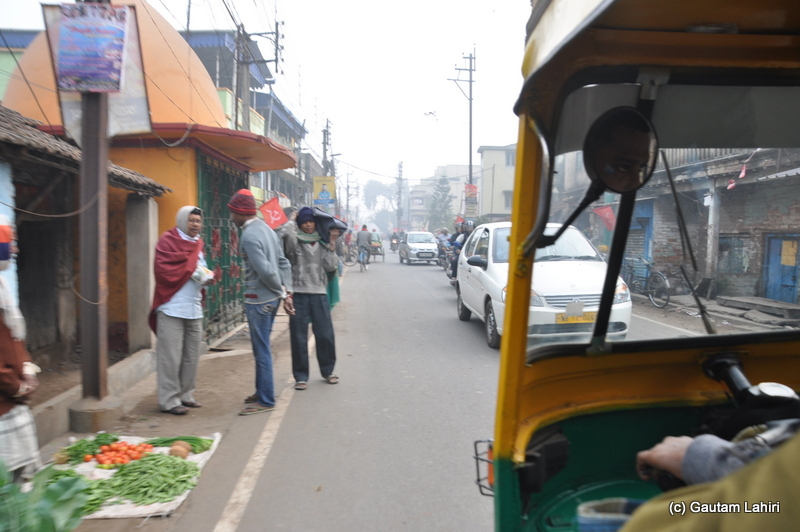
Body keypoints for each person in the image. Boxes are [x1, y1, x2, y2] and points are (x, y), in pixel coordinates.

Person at [228, 189, 294, 416]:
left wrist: (283, 294)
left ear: (240, 212)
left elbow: (265, 271)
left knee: (261, 349)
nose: (232, 217)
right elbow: (283, 262)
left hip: (259, 300)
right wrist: (287, 291)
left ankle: (266, 400)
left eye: (233, 213)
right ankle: (261, 392)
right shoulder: (267, 229)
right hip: (271, 299)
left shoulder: (249, 237)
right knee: (261, 348)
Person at [150, 206, 214, 415]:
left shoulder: (199, 244)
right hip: (172, 308)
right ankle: (169, 401)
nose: (196, 224)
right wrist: (191, 270)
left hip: (193, 308)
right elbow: (163, 271)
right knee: (170, 358)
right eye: (191, 220)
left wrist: (206, 277)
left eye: (198, 221)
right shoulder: (167, 241)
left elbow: (198, 269)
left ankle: (186, 395)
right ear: (181, 221)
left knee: (191, 356)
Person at [0, 216, 42, 483]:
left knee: (19, 481)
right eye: (10, 242)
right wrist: (16, 386)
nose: (15, 249)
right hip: (5, 398)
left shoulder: (2, 286)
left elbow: (15, 338)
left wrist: (25, 370)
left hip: (11, 400)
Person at [284, 207, 339, 391]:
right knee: (298, 337)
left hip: (319, 294)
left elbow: (331, 267)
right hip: (298, 294)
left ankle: (328, 371)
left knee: (325, 335)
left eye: (311, 222)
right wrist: (292, 220)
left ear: (315, 223)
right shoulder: (295, 242)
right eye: (304, 222)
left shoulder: (322, 243)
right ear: (300, 224)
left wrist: (332, 244)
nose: (308, 225)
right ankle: (300, 377)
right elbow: (286, 236)